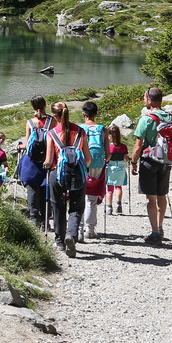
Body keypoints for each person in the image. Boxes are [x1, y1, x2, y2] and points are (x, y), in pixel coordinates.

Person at [45, 100, 89, 257]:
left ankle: (60, 241)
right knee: (77, 207)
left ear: (55, 116)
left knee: (58, 206)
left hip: (57, 174)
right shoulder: (80, 131)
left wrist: (45, 164)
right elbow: (88, 158)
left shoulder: (51, 133)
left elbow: (49, 161)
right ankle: (71, 234)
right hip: (77, 173)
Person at [132, 86, 172, 243]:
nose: (144, 100)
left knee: (151, 198)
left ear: (150, 100)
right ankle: (160, 227)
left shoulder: (146, 119)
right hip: (166, 161)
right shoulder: (170, 117)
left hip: (149, 161)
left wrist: (133, 162)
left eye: (145, 97)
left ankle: (155, 233)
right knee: (162, 195)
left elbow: (137, 146)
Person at [16, 95, 54, 226]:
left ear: (32, 107)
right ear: (45, 105)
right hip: (47, 160)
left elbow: (27, 145)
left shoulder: (30, 122)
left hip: (31, 162)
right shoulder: (51, 121)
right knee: (45, 191)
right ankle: (45, 219)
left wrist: (19, 146)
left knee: (32, 190)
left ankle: (34, 219)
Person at [80, 101, 106, 239]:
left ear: (83, 114)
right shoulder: (102, 128)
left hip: (82, 164)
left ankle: (79, 229)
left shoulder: (79, 128)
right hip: (97, 164)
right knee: (92, 198)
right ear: (96, 114)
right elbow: (108, 153)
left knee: (79, 197)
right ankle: (90, 230)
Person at [104, 124, 129, 214]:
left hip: (111, 168)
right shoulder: (124, 147)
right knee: (119, 186)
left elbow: (107, 157)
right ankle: (119, 204)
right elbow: (126, 158)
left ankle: (109, 207)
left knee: (110, 189)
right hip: (121, 168)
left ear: (110, 136)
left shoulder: (109, 147)